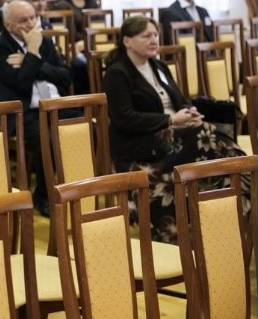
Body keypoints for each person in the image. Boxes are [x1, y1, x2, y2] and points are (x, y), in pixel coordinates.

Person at [103, 16, 245, 242]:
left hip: (176, 133)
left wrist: (190, 111)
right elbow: (124, 118)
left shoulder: (158, 66)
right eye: (146, 36)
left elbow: (180, 99)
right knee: (207, 136)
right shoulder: (117, 73)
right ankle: (244, 175)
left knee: (209, 136)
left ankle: (229, 201)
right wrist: (170, 120)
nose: (154, 40)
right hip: (140, 143)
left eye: (155, 35)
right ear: (127, 41)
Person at [0, 0, 79, 217]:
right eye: (23, 20)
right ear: (8, 25)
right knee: (47, 140)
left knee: (87, 127)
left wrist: (32, 63)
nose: (30, 24)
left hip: (54, 104)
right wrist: (34, 53)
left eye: (33, 18)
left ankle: (79, 189)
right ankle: (44, 195)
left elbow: (66, 76)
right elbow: (21, 83)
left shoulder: (43, 41)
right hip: (23, 111)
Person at [52, 0, 100, 94]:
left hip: (92, 46)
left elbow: (99, 30)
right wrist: (82, 43)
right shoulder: (62, 5)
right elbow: (67, 34)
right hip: (71, 49)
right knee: (82, 65)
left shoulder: (93, 3)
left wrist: (85, 43)